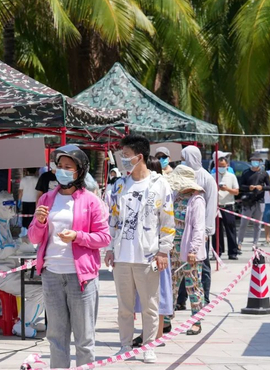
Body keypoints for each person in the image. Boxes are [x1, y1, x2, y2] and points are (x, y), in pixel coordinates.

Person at [28, 144, 111, 368]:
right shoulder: (46, 199)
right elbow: (34, 238)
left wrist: (78, 236)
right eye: (59, 166)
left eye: (68, 167)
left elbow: (104, 238)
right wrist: (40, 221)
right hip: (51, 275)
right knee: (56, 338)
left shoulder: (91, 201)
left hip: (81, 278)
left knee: (84, 340)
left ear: (80, 171)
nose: (62, 171)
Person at [105, 134, 174, 364]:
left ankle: (149, 346)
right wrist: (109, 247)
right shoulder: (120, 185)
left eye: (125, 156)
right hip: (123, 256)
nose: (123, 160)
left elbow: (167, 220)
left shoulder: (160, 184)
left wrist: (164, 251)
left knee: (150, 306)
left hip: (148, 256)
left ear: (139, 156)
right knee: (124, 306)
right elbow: (113, 219)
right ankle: (125, 345)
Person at [0, 191, 45, 338]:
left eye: (13, 206)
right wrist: (19, 243)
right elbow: (0, 251)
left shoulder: (2, 224)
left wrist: (21, 242)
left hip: (9, 271)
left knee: (44, 280)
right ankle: (23, 325)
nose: (12, 210)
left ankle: (28, 319)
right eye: (8, 206)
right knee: (40, 290)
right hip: (0, 275)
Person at [132, 155, 173, 348]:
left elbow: (166, 224)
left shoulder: (160, 189)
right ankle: (148, 332)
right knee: (146, 294)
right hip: (145, 252)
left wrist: (163, 251)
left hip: (157, 253)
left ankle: (156, 334)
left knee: (159, 294)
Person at [164, 165, 207, 335]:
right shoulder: (175, 197)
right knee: (171, 285)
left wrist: (193, 250)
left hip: (189, 251)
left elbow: (199, 228)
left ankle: (196, 320)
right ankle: (166, 319)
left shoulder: (196, 201)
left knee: (193, 285)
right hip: (172, 249)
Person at [179, 145, 217, 307]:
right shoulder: (183, 175)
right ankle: (181, 300)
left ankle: (205, 297)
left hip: (201, 230)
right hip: (184, 228)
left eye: (184, 158)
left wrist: (207, 230)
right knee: (182, 265)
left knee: (203, 264)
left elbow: (211, 205)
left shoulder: (206, 178)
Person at [237, 154, 270, 250]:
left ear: (260, 162)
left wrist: (262, 187)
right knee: (244, 223)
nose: (255, 162)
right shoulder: (246, 173)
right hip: (248, 202)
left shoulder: (263, 173)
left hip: (260, 201)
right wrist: (249, 188)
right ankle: (239, 242)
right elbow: (240, 186)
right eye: (253, 160)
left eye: (257, 160)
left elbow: (269, 187)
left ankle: (255, 244)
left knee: (258, 224)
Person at [214, 153, 240, 260]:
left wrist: (227, 189)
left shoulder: (231, 176)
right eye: (219, 166)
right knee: (216, 231)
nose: (221, 168)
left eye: (223, 166)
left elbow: (236, 191)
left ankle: (232, 252)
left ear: (227, 165)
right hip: (216, 206)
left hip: (228, 205)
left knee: (230, 229)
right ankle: (217, 252)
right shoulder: (212, 176)